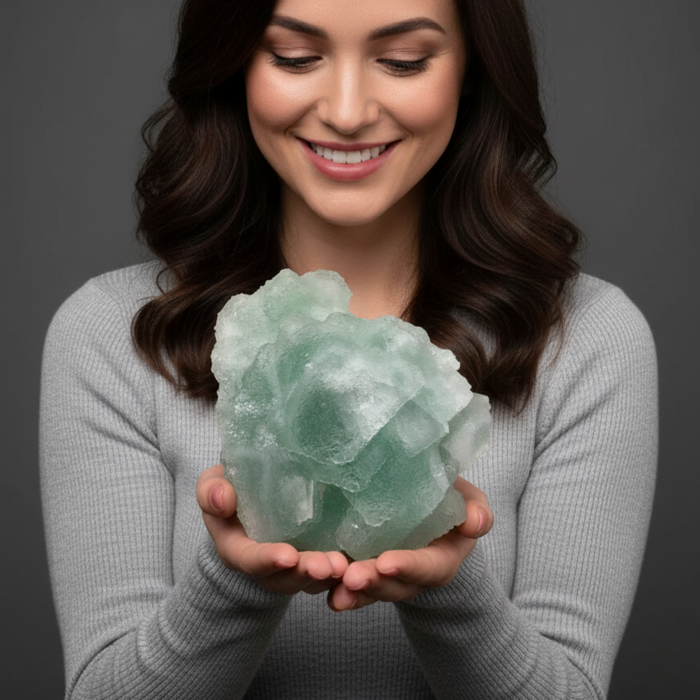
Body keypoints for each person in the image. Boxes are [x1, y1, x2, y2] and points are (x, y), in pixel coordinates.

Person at [39, 0, 657, 698]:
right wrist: (234, 581)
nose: (347, 110)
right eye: (296, 58)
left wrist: (449, 588)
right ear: (234, 65)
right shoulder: (110, 332)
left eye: (402, 61)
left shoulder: (589, 340)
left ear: (472, 71)